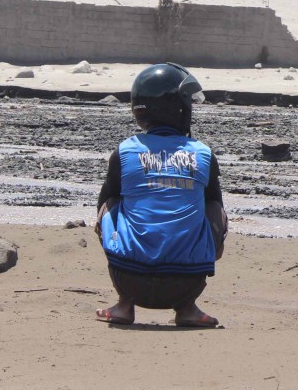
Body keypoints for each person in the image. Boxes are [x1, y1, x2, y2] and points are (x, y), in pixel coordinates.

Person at [95, 62, 227, 327]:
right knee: (212, 208)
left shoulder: (124, 152)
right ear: (178, 107)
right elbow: (216, 207)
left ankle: (124, 305)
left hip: (129, 279)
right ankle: (187, 308)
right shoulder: (203, 153)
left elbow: (103, 205)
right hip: (186, 283)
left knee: (111, 204)